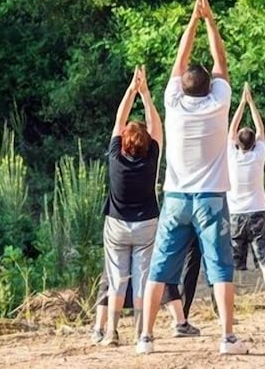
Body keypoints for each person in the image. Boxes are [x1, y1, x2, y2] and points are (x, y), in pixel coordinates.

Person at [138, 0, 247, 356]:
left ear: (182, 86)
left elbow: (180, 59)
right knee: (220, 268)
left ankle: (146, 337)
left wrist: (193, 21)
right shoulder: (219, 102)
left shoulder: (173, 103)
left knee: (159, 268)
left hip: (175, 197)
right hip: (211, 198)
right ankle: (227, 337)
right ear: (210, 87)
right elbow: (221, 62)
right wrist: (210, 21)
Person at [100, 66, 162, 346]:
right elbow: (155, 126)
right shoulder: (151, 158)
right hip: (147, 223)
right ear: (147, 144)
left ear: (123, 143)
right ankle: (140, 334)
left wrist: (131, 90)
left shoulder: (116, 157)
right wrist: (146, 94)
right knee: (141, 279)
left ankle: (111, 332)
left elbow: (119, 119)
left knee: (117, 279)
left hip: (116, 224)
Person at [227, 82, 265, 316]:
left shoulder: (232, 156)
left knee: (231, 263)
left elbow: (231, 130)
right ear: (254, 143)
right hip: (257, 212)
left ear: (237, 143)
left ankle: (227, 305)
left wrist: (241, 104)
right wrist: (251, 103)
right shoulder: (258, 156)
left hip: (235, 214)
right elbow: (261, 130)